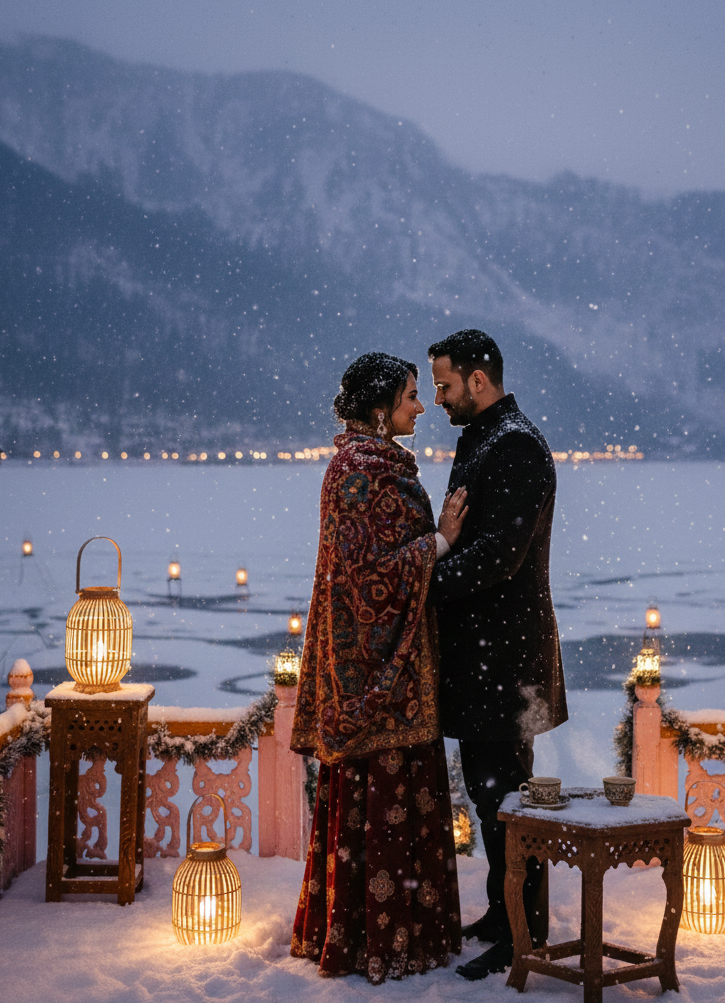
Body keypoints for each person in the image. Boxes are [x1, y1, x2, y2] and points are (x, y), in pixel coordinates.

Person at [290, 352, 468, 984]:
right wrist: (440, 540)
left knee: (365, 811)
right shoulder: (366, 472)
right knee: (390, 800)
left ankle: (362, 932)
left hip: (366, 669)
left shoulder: (358, 466)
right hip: (381, 678)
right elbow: (370, 575)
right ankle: (391, 943)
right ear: (379, 407)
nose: (421, 407)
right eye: (410, 396)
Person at [426, 329, 568, 981]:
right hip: (490, 660)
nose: (438, 397)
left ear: (478, 380)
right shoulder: (492, 441)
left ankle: (523, 935)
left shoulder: (515, 448)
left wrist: (423, 583)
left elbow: (498, 557)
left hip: (506, 665)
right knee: (493, 801)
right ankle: (502, 913)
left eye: (446, 384)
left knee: (508, 802)